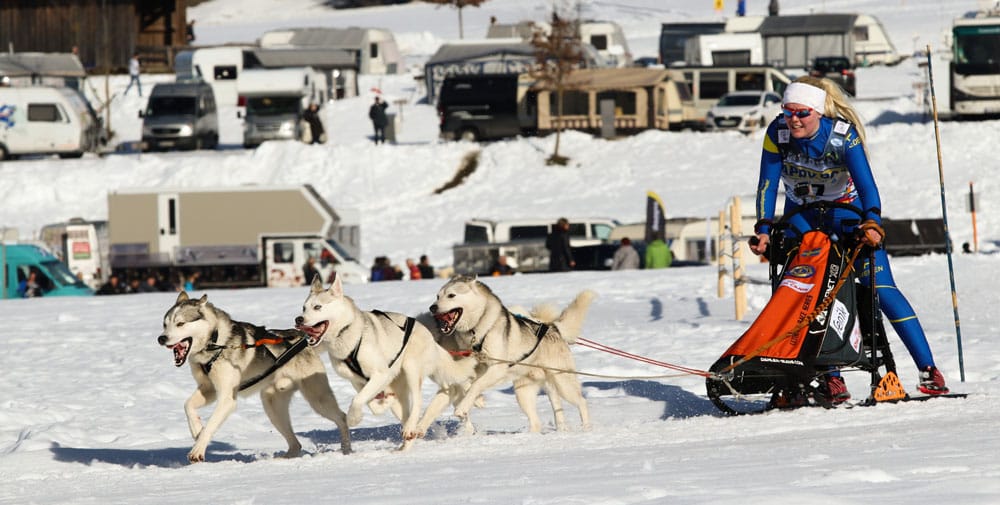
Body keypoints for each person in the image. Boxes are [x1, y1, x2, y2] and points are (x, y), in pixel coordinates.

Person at [750, 76, 949, 401]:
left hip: (847, 213)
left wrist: (872, 221)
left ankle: (929, 369)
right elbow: (766, 185)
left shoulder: (843, 136)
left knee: (881, 290)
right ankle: (832, 378)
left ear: (817, 111)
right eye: (788, 111)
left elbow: (868, 187)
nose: (794, 119)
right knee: (806, 291)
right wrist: (762, 228)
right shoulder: (778, 133)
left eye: (802, 113)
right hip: (803, 215)